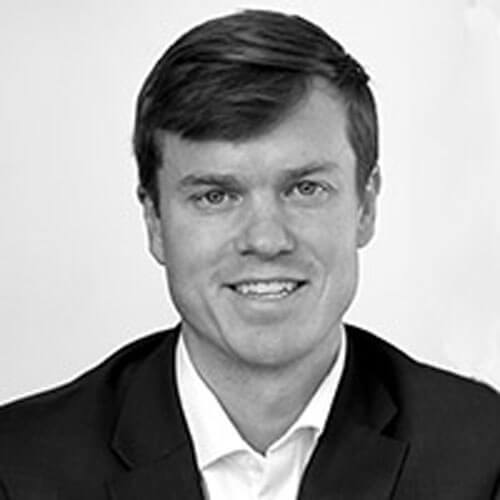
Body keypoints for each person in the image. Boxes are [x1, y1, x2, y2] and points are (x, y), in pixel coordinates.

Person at [0, 9, 499, 500]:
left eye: (305, 188)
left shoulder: (484, 456)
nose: (265, 239)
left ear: (365, 207)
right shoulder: (19, 467)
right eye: (215, 196)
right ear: (154, 222)